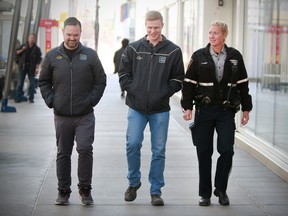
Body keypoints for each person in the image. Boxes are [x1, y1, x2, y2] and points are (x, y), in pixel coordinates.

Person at [181, 21, 253, 207]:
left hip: (226, 112)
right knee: (204, 152)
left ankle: (221, 189)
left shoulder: (235, 56)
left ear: (224, 35)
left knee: (227, 150)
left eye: (216, 33)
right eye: (210, 33)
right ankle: (204, 194)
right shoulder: (199, 56)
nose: (212, 36)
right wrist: (187, 107)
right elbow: (188, 83)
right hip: (204, 111)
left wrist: (246, 109)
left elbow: (243, 85)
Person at [38, 17, 106, 206]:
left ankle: (85, 190)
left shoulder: (90, 56)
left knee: (85, 148)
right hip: (62, 116)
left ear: (80, 33)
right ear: (63, 33)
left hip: (84, 114)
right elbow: (43, 81)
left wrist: (91, 101)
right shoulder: (52, 56)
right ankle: (63, 191)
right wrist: (52, 102)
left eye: (75, 35)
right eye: (69, 34)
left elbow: (101, 80)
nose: (72, 38)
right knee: (63, 153)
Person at [119, 10, 184, 206]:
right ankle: (133, 183)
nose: (153, 31)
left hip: (160, 109)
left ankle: (156, 191)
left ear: (162, 25)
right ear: (145, 26)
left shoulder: (173, 50)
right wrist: (135, 91)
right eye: (149, 28)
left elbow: (178, 78)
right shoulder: (134, 48)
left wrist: (163, 93)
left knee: (159, 150)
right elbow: (123, 75)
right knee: (133, 144)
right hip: (136, 108)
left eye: (156, 28)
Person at [14, 33, 42, 103]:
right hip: (23, 67)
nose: (31, 39)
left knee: (32, 83)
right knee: (20, 82)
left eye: (33, 38)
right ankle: (17, 97)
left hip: (31, 68)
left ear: (35, 39)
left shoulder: (37, 49)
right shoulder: (23, 46)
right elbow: (16, 53)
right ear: (28, 38)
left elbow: (38, 60)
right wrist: (22, 50)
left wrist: (37, 68)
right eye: (30, 37)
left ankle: (31, 98)